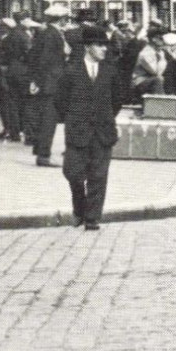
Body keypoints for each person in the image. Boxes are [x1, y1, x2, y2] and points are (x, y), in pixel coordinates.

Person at [54, 25, 121, 231]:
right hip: (78, 131)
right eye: (100, 45)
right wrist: (75, 119)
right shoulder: (71, 71)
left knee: (98, 176)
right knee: (73, 172)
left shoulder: (110, 72)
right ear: (87, 47)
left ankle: (92, 218)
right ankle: (79, 207)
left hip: (103, 132)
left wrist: (105, 117)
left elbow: (117, 100)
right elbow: (60, 101)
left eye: (105, 46)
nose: (104, 49)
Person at [27, 4, 70, 167]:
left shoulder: (49, 33)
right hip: (51, 82)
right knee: (49, 120)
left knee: (45, 118)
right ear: (61, 19)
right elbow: (45, 60)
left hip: (48, 81)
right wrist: (38, 81)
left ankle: (40, 150)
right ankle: (44, 155)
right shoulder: (52, 35)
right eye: (65, 18)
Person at [0, 15, 28, 143]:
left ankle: (14, 132)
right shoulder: (24, 35)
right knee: (23, 103)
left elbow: (2, 57)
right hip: (23, 72)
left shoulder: (8, 39)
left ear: (6, 27)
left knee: (12, 103)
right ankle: (24, 130)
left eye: (2, 27)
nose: (0, 29)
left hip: (11, 72)